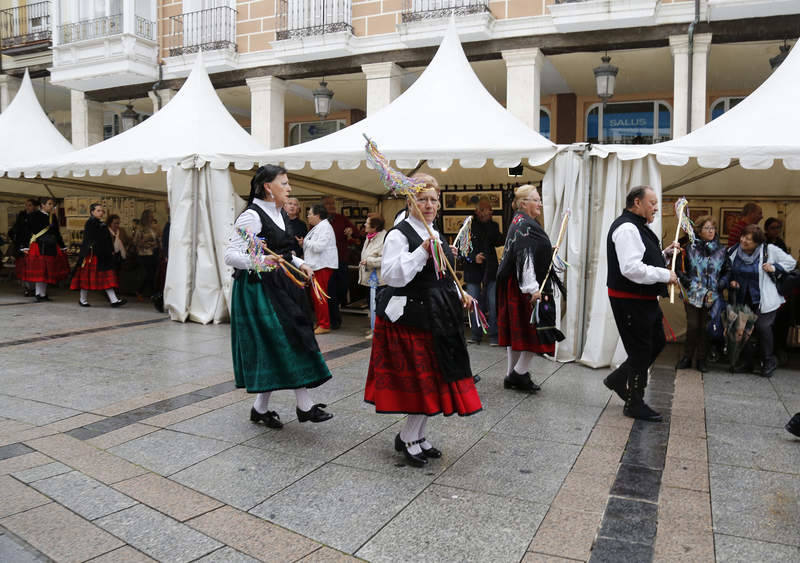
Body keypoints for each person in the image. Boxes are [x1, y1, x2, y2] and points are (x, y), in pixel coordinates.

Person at [365, 179, 481, 467]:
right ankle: (408, 437)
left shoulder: (435, 232)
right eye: (423, 200)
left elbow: (440, 275)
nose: (429, 205)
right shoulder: (399, 235)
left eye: (433, 200)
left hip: (437, 314)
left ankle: (415, 435)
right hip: (410, 318)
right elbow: (391, 277)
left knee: (434, 380)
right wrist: (422, 251)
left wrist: (461, 292)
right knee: (423, 383)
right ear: (410, 202)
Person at [224, 165, 334, 429]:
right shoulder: (250, 217)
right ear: (267, 187)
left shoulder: (279, 213)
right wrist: (264, 260)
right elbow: (231, 256)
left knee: (282, 343)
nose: (289, 188)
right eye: (283, 183)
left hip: (280, 286)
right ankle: (304, 405)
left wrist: (300, 262)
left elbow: (283, 251)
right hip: (258, 291)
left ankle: (261, 408)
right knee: (283, 341)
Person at [603, 186, 680, 422]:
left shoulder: (637, 226)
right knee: (640, 350)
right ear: (637, 202)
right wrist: (666, 275)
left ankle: (618, 378)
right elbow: (631, 269)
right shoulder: (627, 228)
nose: (656, 207)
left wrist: (664, 254)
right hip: (630, 301)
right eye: (652, 202)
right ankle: (634, 403)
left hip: (642, 299)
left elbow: (642, 257)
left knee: (656, 341)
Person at [496, 185, 563, 393]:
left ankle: (511, 375)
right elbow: (524, 257)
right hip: (526, 287)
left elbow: (528, 251)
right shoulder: (525, 225)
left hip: (515, 285)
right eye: (536, 199)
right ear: (524, 203)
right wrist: (532, 289)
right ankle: (519, 373)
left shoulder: (519, 221)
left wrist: (546, 251)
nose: (540, 203)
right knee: (535, 332)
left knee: (521, 335)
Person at [727, 225, 796, 377]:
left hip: (764, 297)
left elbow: (791, 262)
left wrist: (774, 267)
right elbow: (727, 270)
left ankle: (768, 360)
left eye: (748, 239)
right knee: (742, 330)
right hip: (742, 296)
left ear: (757, 242)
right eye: (743, 236)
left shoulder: (769, 250)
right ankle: (747, 362)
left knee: (763, 327)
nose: (743, 241)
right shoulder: (733, 251)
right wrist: (731, 281)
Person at [675, 215, 730, 373]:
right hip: (692, 294)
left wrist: (721, 284)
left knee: (706, 328)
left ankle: (701, 359)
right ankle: (687, 357)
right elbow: (680, 269)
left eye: (713, 228)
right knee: (693, 325)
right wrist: (687, 283)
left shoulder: (721, 250)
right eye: (707, 228)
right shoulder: (689, 249)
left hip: (711, 295)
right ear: (699, 231)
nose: (711, 231)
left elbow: (728, 270)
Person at [464, 198, 504, 346]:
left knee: (493, 303)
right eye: (482, 210)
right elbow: (462, 250)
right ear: (476, 211)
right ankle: (476, 335)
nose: (485, 213)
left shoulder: (493, 226)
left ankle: (494, 335)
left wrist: (490, 226)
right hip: (473, 272)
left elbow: (500, 243)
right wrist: (473, 258)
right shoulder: (468, 226)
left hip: (491, 272)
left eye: (488, 210)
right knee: (474, 304)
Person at [71, 204, 127, 308]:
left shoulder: (102, 224)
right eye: (98, 210)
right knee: (87, 278)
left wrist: (111, 250)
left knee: (106, 277)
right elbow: (92, 240)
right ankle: (82, 300)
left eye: (102, 211)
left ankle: (114, 300)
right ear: (92, 212)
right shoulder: (90, 223)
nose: (101, 212)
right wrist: (106, 250)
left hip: (102, 255)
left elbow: (106, 240)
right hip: (93, 255)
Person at [20, 197, 69, 302]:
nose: (52, 206)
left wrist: (62, 246)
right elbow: (26, 231)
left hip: (50, 246)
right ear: (42, 205)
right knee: (41, 272)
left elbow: (56, 233)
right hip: (39, 246)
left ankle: (42, 294)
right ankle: (38, 294)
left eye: (52, 204)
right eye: (49, 204)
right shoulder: (33, 216)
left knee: (47, 272)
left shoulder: (53, 217)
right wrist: (24, 246)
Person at [323, 196, 360, 328]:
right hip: (326, 261)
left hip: (341, 260)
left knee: (343, 288)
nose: (331, 206)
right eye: (328, 204)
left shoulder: (341, 218)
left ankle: (336, 307)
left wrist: (351, 231)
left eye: (333, 204)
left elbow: (357, 233)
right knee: (331, 291)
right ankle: (334, 320)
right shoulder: (320, 220)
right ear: (323, 206)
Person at [302, 203, 338, 335]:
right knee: (316, 296)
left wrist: (305, 242)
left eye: (310, 214)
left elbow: (319, 247)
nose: (308, 216)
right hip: (316, 265)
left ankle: (324, 324)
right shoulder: (319, 227)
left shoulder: (325, 227)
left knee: (319, 296)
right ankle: (321, 322)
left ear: (317, 215)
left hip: (322, 265)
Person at [358, 214, 387, 339]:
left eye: (367, 223)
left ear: (374, 227)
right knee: (371, 304)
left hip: (379, 279)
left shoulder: (384, 238)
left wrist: (369, 261)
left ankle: (378, 331)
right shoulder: (369, 237)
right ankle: (373, 328)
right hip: (370, 277)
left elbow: (386, 258)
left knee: (378, 306)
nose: (364, 224)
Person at [10, 199, 39, 296]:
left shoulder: (38, 216)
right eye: (26, 205)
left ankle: (34, 288)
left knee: (33, 268)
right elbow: (16, 230)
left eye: (30, 205)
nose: (27, 207)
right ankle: (27, 288)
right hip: (22, 245)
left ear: (35, 206)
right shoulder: (22, 216)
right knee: (24, 268)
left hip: (34, 245)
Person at [133, 209, 161, 300]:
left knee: (153, 274)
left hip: (153, 253)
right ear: (146, 217)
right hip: (144, 254)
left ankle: (152, 293)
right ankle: (140, 291)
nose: (152, 217)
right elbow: (136, 242)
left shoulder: (152, 227)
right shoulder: (140, 228)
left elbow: (157, 239)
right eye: (151, 216)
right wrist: (149, 244)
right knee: (149, 274)